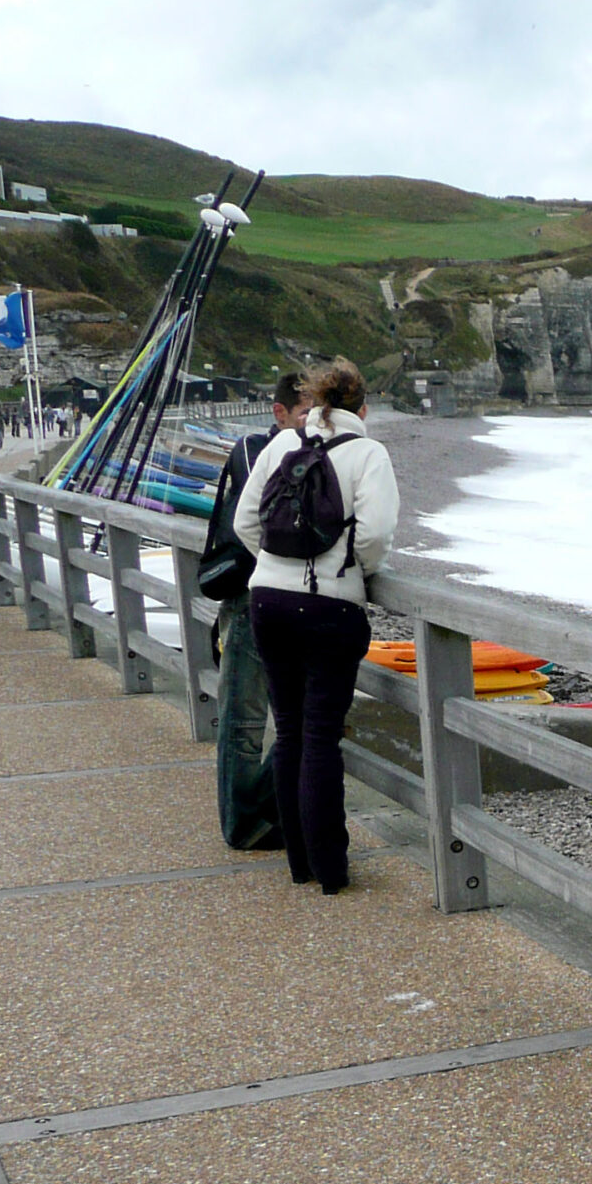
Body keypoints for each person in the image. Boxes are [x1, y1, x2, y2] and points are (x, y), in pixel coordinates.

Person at [233, 357, 399, 893]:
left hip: (268, 601)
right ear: (362, 410)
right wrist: (349, 572)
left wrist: (275, 565)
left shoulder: (283, 443)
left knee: (288, 732)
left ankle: (300, 863)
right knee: (321, 735)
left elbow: (245, 521)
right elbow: (374, 535)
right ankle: (331, 869)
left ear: (316, 403)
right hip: (330, 607)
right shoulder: (368, 453)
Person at [200, 374, 303, 849]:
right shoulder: (256, 450)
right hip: (247, 599)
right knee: (244, 721)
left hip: (283, 600)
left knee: (301, 722)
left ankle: (263, 811)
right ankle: (244, 825)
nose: (313, 423)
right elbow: (253, 518)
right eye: (304, 413)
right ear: (279, 413)